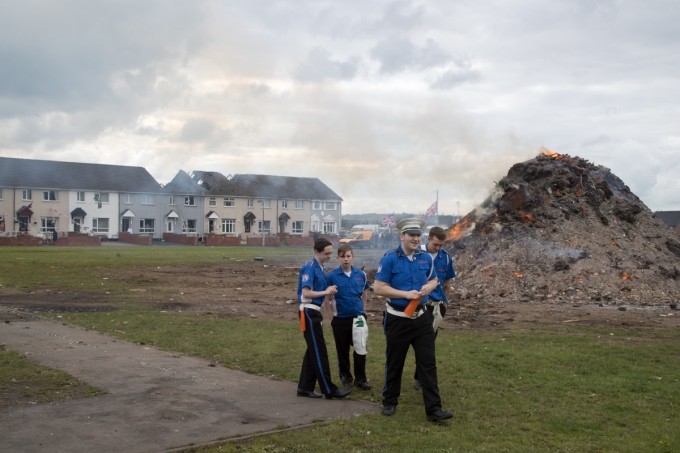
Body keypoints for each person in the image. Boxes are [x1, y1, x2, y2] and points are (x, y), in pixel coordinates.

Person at [373, 218, 453, 422]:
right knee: (395, 362)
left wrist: (431, 286)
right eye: (411, 235)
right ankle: (390, 401)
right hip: (398, 319)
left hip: (422, 319)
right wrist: (404, 294)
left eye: (418, 235)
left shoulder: (425, 258)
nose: (416, 239)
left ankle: (434, 410)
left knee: (428, 363)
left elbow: (435, 278)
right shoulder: (390, 258)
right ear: (402, 236)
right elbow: (379, 287)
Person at [296, 238, 352, 400]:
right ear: (317, 252)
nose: (330, 256)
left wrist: (329, 290)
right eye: (327, 253)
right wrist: (326, 293)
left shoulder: (320, 268)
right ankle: (329, 389)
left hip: (314, 312)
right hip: (308, 311)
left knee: (312, 351)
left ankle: (305, 387)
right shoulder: (310, 268)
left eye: (330, 253)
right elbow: (306, 293)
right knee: (320, 352)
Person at [414, 226, 456, 390]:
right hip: (418, 305)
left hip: (437, 307)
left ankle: (420, 377)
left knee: (428, 344)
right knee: (417, 342)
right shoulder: (416, 254)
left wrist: (446, 302)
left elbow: (447, 282)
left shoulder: (445, 258)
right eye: (435, 244)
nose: (437, 248)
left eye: (440, 245)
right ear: (429, 238)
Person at [326, 245, 371, 391]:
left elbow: (364, 293)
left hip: (358, 317)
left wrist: (363, 310)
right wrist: (330, 318)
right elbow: (327, 298)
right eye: (342, 256)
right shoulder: (332, 276)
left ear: (353, 257)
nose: (345, 259)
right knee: (342, 350)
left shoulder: (360, 274)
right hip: (340, 319)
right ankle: (346, 377)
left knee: (360, 347)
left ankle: (361, 379)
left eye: (348, 256)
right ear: (338, 258)